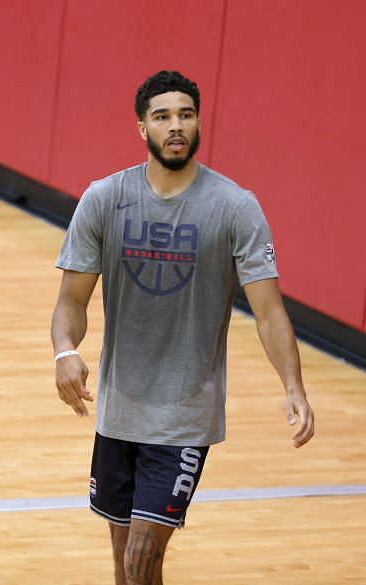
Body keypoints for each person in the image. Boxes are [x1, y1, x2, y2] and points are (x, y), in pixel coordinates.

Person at [50, 70, 314, 585]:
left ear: (198, 124)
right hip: (118, 409)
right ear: (141, 128)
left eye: (186, 115)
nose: (176, 126)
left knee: (142, 560)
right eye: (163, 116)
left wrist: (294, 386)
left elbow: (269, 311)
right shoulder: (104, 199)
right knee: (124, 561)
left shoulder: (235, 206)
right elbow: (71, 301)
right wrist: (64, 351)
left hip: (185, 415)